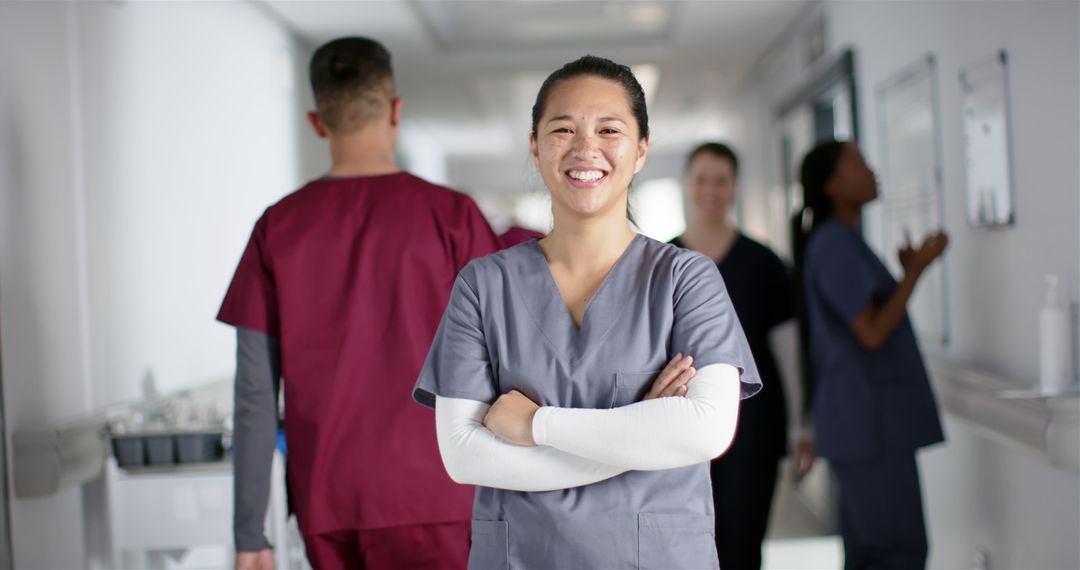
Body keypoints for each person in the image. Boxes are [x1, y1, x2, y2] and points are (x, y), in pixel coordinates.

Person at [412, 55, 761, 569]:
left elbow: (706, 430)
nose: (585, 148)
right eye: (562, 129)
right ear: (535, 148)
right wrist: (640, 434)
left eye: (608, 129)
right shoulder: (483, 286)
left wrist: (537, 426)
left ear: (641, 149)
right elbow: (464, 455)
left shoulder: (687, 280)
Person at [217, 37, 501, 570]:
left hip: (330, 501)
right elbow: (510, 361)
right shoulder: (452, 218)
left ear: (317, 121)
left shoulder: (277, 228)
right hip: (442, 492)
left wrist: (249, 533)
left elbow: (254, 397)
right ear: (395, 111)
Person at [793, 140, 947, 569]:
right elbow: (873, 333)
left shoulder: (839, 242)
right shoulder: (834, 245)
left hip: (865, 427)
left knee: (873, 554)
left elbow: (868, 320)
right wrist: (916, 272)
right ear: (832, 187)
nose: (871, 170)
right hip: (868, 427)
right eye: (858, 164)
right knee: (894, 553)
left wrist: (905, 275)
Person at [669, 142, 794, 570]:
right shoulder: (666, 262)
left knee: (742, 548)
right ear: (687, 184)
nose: (710, 190)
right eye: (702, 179)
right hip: (680, 433)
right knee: (688, 549)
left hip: (754, 430)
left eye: (721, 180)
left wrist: (802, 423)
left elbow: (787, 350)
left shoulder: (763, 263)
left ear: (734, 187)